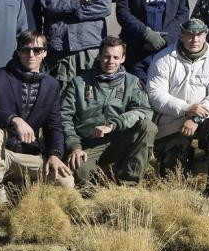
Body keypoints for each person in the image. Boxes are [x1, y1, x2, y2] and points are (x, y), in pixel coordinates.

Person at [0, 30, 74, 204]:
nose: (31, 54)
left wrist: (55, 154)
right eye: (26, 50)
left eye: (37, 50)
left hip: (28, 155)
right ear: (18, 52)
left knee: (66, 182)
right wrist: (12, 119)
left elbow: (54, 125)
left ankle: (18, 190)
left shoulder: (51, 85)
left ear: (45, 53)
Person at [147, 19, 209, 197]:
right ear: (181, 35)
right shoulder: (163, 59)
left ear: (205, 35)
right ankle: (192, 158)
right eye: (190, 35)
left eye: (200, 35)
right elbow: (155, 96)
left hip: (201, 119)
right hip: (171, 124)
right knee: (173, 179)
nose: (195, 40)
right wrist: (186, 108)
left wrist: (195, 117)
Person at [61, 36, 156, 186]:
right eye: (106, 56)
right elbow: (64, 117)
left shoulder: (132, 82)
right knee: (82, 175)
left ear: (123, 58)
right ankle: (99, 180)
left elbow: (144, 110)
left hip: (119, 140)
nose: (110, 61)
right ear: (99, 56)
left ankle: (128, 185)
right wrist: (75, 147)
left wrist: (113, 125)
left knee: (148, 127)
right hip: (88, 144)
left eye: (115, 57)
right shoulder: (79, 82)